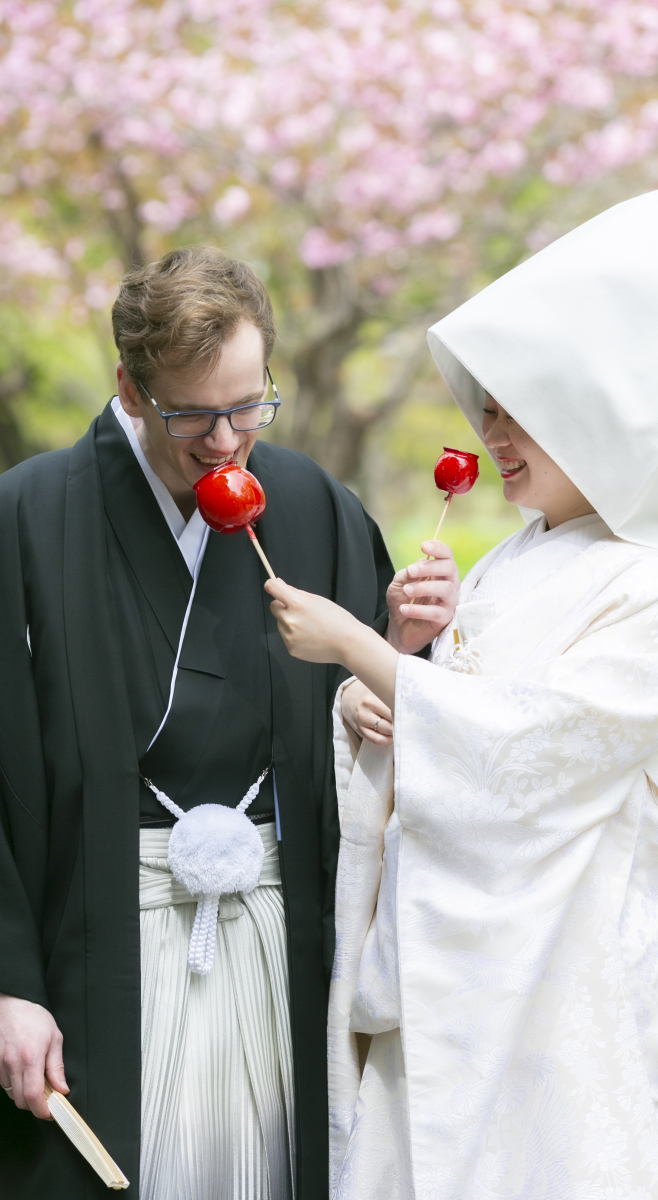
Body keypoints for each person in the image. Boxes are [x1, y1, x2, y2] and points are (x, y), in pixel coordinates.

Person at [263, 189, 658, 1199]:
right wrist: (387, 683)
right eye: (483, 405)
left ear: (604, 413)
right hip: (440, 972)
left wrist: (359, 650)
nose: (488, 431)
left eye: (517, 409)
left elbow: (532, 752)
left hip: (557, 990)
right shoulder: (510, 559)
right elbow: (448, 729)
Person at [0, 246, 458, 1199]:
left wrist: (398, 647)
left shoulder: (313, 505)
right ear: (129, 388)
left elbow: (374, 728)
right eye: (192, 415)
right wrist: (10, 982)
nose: (224, 442)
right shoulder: (30, 514)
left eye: (248, 408)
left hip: (279, 932)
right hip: (94, 938)